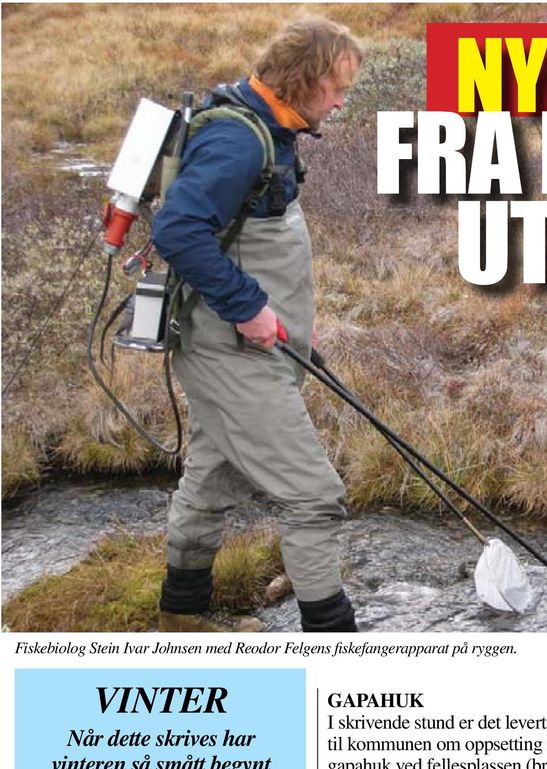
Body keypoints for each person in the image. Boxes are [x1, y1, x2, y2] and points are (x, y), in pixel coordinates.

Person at [152, 17, 363, 632]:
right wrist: (249, 308)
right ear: (304, 80)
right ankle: (335, 649)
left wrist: (293, 322)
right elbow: (177, 231)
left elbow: (257, 247)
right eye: (336, 89)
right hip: (232, 355)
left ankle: (180, 619)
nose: (342, 102)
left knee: (212, 477)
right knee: (316, 498)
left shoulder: (271, 125)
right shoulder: (239, 141)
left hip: (253, 350)